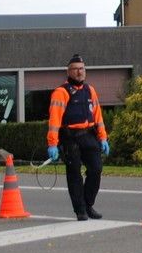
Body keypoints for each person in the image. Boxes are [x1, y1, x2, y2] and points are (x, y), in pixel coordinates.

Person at [45, 55, 109, 221]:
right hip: (70, 139)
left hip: (89, 136)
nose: (80, 72)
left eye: (82, 69)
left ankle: (88, 204)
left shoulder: (90, 90)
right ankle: (80, 210)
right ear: (69, 71)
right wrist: (53, 144)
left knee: (96, 169)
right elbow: (54, 120)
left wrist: (103, 138)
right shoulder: (61, 92)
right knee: (74, 175)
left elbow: (98, 116)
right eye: (76, 69)